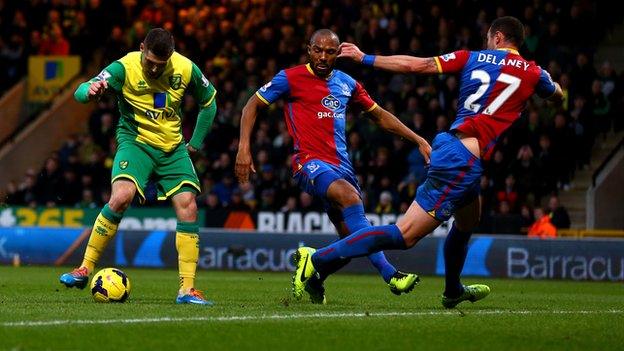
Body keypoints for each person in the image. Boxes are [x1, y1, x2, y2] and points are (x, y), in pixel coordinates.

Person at [293, 16, 563, 308]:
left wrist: (365, 58)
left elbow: (415, 65)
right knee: (405, 235)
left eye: (488, 39)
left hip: (453, 146)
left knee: (468, 220)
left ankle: (452, 290)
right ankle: (317, 258)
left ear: (497, 38)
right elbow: (556, 96)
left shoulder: (471, 56)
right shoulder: (535, 73)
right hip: (462, 159)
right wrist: (557, 89)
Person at [235, 29, 431, 304]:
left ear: (338, 53)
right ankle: (391, 275)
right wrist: (244, 148)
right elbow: (251, 106)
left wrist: (418, 139)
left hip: (342, 168)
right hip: (309, 163)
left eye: (330, 52)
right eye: (318, 50)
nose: (323, 57)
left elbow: (379, 116)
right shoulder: (290, 78)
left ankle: (315, 276)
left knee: (353, 243)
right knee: (350, 198)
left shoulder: (347, 83)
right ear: (309, 50)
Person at [59, 28, 218, 305]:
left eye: (161, 63)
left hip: (172, 148)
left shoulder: (185, 68)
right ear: (142, 48)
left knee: (188, 205)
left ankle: (186, 290)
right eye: (150, 62)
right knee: (121, 197)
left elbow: (210, 102)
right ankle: (84, 268)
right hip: (136, 142)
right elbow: (80, 92)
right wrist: (91, 90)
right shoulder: (124, 67)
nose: (155, 69)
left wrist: (196, 143)